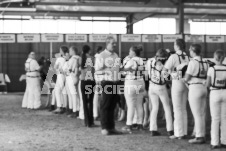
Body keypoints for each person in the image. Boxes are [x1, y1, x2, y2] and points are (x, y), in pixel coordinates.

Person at [163, 39, 190, 139]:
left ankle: (179, 133)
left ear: (176, 45)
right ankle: (184, 131)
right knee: (183, 108)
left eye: (174, 45)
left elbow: (164, 70)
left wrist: (168, 79)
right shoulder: (187, 56)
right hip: (186, 82)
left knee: (177, 109)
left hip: (177, 82)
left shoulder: (173, 56)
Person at [95, 36, 122, 135]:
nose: (114, 45)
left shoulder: (116, 55)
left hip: (115, 82)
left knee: (112, 106)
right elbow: (97, 70)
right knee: (105, 105)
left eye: (115, 43)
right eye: (112, 43)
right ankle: (105, 128)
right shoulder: (101, 56)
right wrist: (106, 70)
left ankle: (111, 127)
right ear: (107, 44)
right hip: (107, 82)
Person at [184, 44, 208, 144]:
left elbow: (187, 77)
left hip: (195, 88)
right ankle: (202, 133)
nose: (189, 51)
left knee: (197, 114)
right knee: (202, 113)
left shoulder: (193, 62)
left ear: (193, 51)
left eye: (190, 49)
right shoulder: (205, 61)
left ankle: (199, 136)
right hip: (203, 87)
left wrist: (183, 79)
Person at [146, 48, 173, 136]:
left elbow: (146, 74)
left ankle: (153, 129)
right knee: (167, 107)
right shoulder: (163, 64)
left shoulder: (149, 61)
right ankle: (170, 129)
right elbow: (166, 77)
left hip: (151, 86)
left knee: (154, 108)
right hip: (161, 87)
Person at [121, 45, 145, 134]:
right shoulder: (142, 60)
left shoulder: (131, 61)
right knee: (139, 105)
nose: (129, 53)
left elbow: (123, 72)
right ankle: (140, 124)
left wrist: (125, 67)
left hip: (131, 83)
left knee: (130, 105)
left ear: (133, 52)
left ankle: (129, 124)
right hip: (141, 82)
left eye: (130, 51)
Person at [206, 49, 226, 149]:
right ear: (223, 58)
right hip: (225, 93)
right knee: (224, 118)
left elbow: (207, 84)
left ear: (215, 58)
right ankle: (224, 141)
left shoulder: (211, 69)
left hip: (214, 93)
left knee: (215, 118)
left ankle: (214, 142)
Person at [80, 45, 95, 127]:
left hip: (83, 81)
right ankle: (91, 121)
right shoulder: (92, 58)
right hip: (91, 81)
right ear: (89, 51)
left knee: (85, 102)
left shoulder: (80, 58)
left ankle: (87, 122)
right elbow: (92, 69)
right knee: (91, 102)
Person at [63, 46, 80, 118]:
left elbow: (68, 70)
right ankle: (77, 110)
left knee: (72, 95)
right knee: (76, 95)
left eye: (70, 50)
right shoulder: (79, 57)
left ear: (73, 51)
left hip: (72, 77)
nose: (69, 52)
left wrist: (66, 71)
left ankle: (75, 111)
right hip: (77, 77)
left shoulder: (72, 59)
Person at [53, 46, 69, 114]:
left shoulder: (59, 58)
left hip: (60, 75)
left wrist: (56, 59)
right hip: (66, 75)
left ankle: (59, 107)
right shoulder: (66, 58)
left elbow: (55, 67)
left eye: (60, 50)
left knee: (57, 90)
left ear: (62, 51)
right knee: (63, 91)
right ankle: (64, 106)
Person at [93, 46, 103, 120]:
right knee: (99, 97)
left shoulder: (95, 57)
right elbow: (99, 69)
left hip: (97, 78)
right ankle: (97, 114)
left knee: (97, 97)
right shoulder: (99, 57)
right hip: (100, 79)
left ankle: (96, 114)